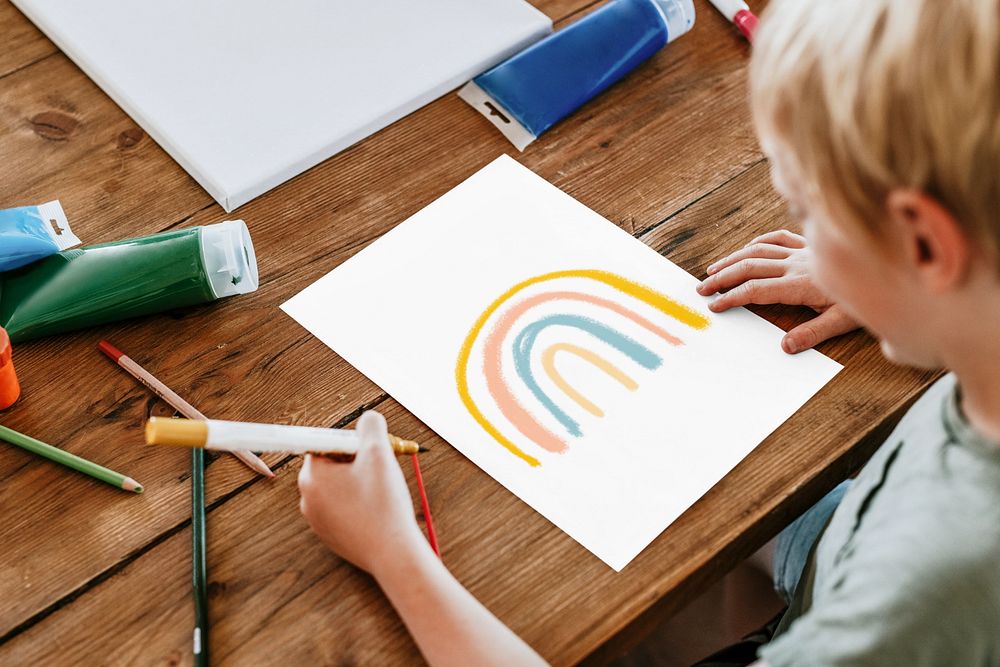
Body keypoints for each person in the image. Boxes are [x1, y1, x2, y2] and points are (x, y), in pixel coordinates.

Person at [298, 0, 1000, 663]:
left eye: (815, 214)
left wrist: (393, 549)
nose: (807, 237)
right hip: (855, 538)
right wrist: (889, 283)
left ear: (928, 243)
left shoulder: (931, 583)